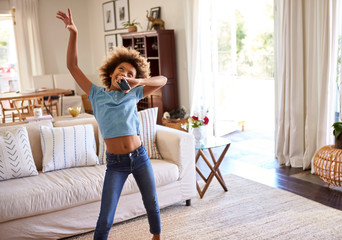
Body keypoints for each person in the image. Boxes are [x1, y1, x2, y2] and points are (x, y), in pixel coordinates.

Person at [56, 8, 166, 240]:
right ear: (112, 72)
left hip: (140, 157)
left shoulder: (134, 94)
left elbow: (162, 80)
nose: (124, 74)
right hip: (115, 164)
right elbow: (72, 67)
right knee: (106, 216)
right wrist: (73, 33)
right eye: (121, 70)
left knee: (152, 203)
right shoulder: (96, 94)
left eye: (129, 72)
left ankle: (157, 237)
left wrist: (139, 81)